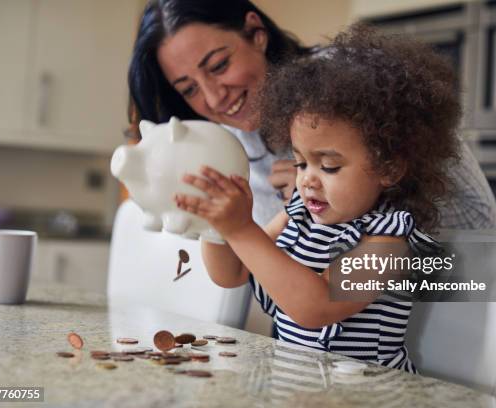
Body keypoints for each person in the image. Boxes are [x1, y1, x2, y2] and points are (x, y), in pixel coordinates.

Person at [174, 25, 462, 373]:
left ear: (389, 168)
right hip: (296, 387)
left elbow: (317, 307)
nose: (307, 179)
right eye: (300, 162)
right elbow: (231, 273)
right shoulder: (296, 216)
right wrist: (216, 225)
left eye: (329, 166)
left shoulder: (389, 241)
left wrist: (242, 229)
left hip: (372, 395)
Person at [127, 0, 496, 229]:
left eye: (219, 64)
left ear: (256, 32)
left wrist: (346, 202)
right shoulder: (233, 143)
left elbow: (478, 219)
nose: (213, 96)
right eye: (189, 88)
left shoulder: (349, 83)